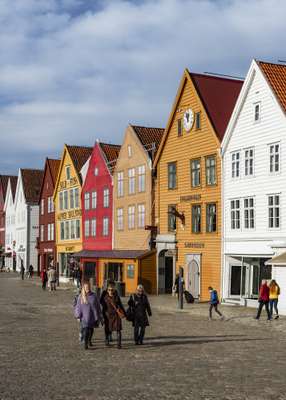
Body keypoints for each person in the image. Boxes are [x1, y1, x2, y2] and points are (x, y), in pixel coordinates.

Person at [74, 281, 102, 350]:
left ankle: (89, 340)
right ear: (84, 288)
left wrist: (99, 315)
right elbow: (78, 307)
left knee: (91, 330)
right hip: (84, 317)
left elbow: (97, 306)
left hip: (92, 316)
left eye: (89, 287)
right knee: (86, 329)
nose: (88, 288)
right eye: (86, 287)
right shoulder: (81, 296)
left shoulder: (94, 296)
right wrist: (78, 316)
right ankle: (85, 344)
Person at [101, 282, 126, 349]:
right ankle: (107, 340)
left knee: (118, 329)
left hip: (116, 314)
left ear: (114, 290)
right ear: (107, 290)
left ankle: (119, 344)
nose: (110, 291)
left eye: (112, 290)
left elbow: (120, 304)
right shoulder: (104, 296)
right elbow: (101, 304)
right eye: (109, 289)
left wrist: (124, 313)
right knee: (107, 328)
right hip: (108, 315)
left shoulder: (116, 296)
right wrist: (101, 314)